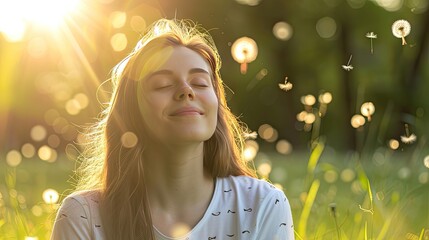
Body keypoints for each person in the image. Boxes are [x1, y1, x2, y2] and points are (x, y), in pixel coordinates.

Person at [51, 18, 294, 240]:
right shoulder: (84, 217)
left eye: (200, 83)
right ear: (131, 113)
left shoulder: (263, 205)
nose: (186, 90)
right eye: (163, 84)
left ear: (217, 106)